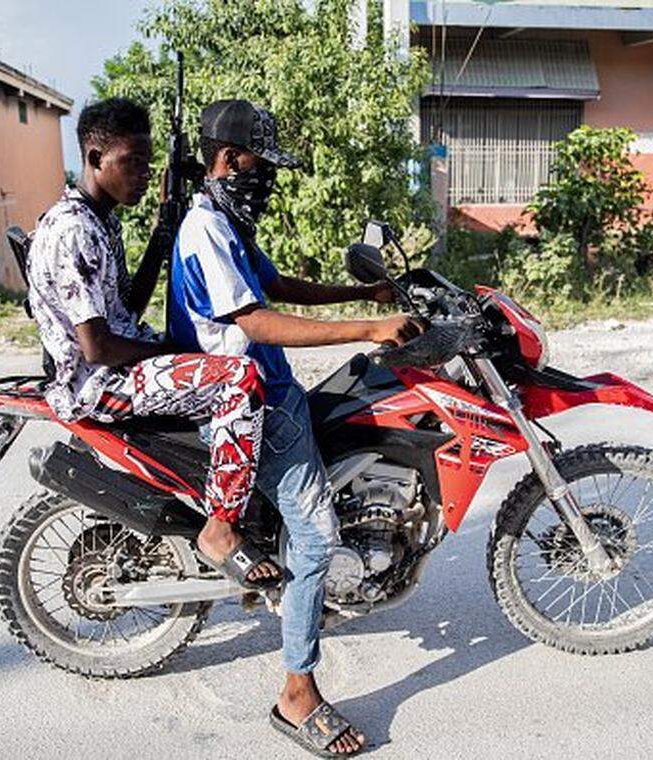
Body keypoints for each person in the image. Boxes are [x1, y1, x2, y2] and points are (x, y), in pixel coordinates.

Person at [168, 99, 423, 757]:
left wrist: (360, 296)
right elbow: (255, 321)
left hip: (270, 388)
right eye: (263, 166)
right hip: (250, 402)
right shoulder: (204, 230)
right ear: (229, 160)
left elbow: (277, 285)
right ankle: (296, 693)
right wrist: (369, 329)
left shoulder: (227, 223)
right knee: (317, 537)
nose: (271, 180)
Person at [26, 97, 281, 588]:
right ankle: (221, 530)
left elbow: (125, 309)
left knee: (218, 357)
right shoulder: (73, 229)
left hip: (113, 365)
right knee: (240, 379)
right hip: (100, 382)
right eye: (132, 162)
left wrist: (161, 237)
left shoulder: (99, 218)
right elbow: (98, 346)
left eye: (147, 163)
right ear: (96, 158)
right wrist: (170, 353)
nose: (143, 174)